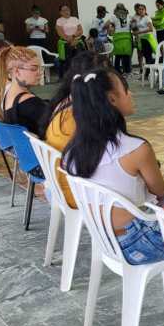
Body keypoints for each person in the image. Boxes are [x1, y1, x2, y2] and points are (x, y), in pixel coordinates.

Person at [62, 69, 164, 266]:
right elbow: (162, 192)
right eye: (126, 89)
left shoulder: (72, 152)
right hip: (139, 242)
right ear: (112, 99)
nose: (131, 94)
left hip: (105, 238)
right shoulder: (135, 148)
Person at [40, 52, 111, 209]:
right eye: (106, 75)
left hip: (57, 187)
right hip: (75, 193)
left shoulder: (64, 101)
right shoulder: (80, 115)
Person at [0, 46, 48, 135]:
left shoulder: (8, 95)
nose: (40, 72)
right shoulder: (30, 103)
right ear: (17, 72)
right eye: (34, 69)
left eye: (40, 68)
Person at [55, 5, 84, 78]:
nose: (66, 11)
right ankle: (68, 77)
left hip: (76, 41)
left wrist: (73, 36)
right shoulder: (59, 21)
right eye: (64, 10)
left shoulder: (75, 19)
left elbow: (80, 30)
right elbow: (60, 33)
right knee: (68, 61)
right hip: (66, 42)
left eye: (67, 9)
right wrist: (69, 40)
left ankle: (79, 76)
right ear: (60, 12)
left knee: (79, 59)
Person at [131, 3, 157, 72]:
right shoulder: (137, 18)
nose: (140, 10)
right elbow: (135, 28)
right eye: (139, 9)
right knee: (143, 55)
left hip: (147, 39)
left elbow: (151, 29)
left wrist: (138, 32)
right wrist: (135, 33)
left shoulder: (147, 18)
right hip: (140, 39)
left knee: (148, 56)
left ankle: (150, 71)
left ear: (145, 10)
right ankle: (144, 70)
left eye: (142, 9)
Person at [111, 3, 134, 74]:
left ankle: (117, 70)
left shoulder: (114, 17)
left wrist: (111, 29)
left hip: (117, 37)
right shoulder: (129, 16)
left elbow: (108, 25)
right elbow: (133, 26)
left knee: (118, 55)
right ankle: (127, 70)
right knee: (126, 55)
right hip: (127, 37)